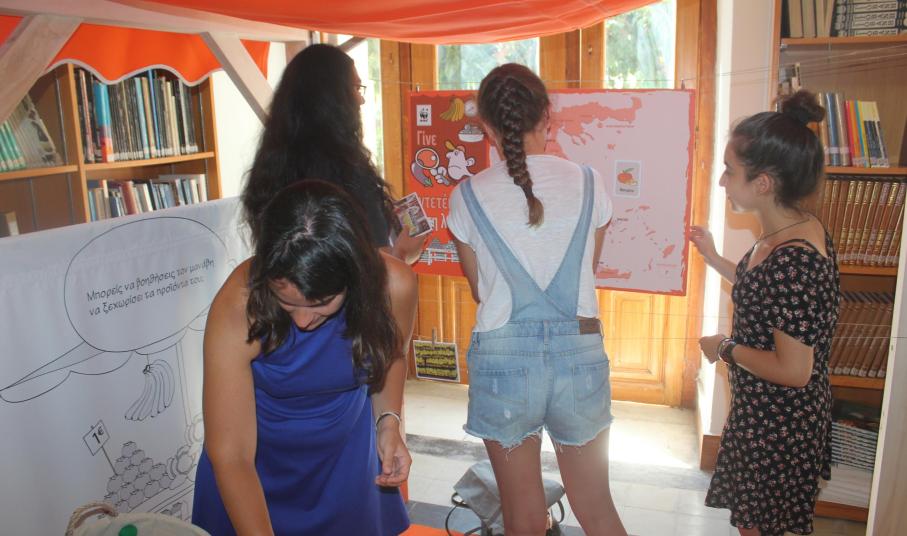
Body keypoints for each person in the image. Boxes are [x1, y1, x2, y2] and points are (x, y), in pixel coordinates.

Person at [447, 63, 626, 536]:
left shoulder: (466, 196)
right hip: (579, 354)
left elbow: (481, 290)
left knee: (522, 516)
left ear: (487, 127)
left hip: (503, 358)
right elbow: (587, 271)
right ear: (548, 114)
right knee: (598, 509)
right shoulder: (590, 182)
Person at [191, 180, 417, 535]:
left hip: (344, 464)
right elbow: (232, 455)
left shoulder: (394, 286)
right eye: (287, 302)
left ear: (355, 277)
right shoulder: (240, 302)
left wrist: (388, 422)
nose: (302, 321)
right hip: (254, 470)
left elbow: (392, 357)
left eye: (321, 304)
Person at [689, 90, 840, 536]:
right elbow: (764, 295)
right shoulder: (784, 233)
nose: (722, 182)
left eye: (729, 170)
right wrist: (713, 257)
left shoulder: (796, 259)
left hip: (781, 426)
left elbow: (794, 370)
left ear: (763, 183)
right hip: (761, 414)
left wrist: (725, 348)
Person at [241, 43, 425, 264]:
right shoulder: (349, 172)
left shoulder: (271, 168)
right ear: (333, 99)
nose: (361, 99)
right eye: (356, 88)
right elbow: (377, 270)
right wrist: (404, 252)